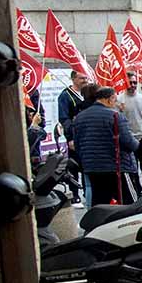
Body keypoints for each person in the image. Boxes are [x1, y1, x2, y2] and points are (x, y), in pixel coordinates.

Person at [74, 85, 140, 206]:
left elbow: (77, 144)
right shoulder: (115, 116)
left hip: (92, 167)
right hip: (116, 167)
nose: (115, 103)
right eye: (115, 100)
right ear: (110, 99)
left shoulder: (80, 117)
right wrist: (137, 143)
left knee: (100, 204)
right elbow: (128, 142)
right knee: (128, 203)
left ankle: (101, 224)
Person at [57, 69, 88, 205]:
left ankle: (88, 192)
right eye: (82, 79)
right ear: (74, 79)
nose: (85, 81)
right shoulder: (65, 96)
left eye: (86, 79)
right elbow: (64, 118)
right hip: (75, 138)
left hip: (87, 137)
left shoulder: (86, 95)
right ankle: (75, 195)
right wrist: (70, 137)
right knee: (74, 166)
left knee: (86, 166)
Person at [119, 71, 142, 193]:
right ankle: (137, 191)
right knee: (133, 169)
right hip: (128, 140)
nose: (133, 85)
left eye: (135, 82)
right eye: (130, 82)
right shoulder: (119, 99)